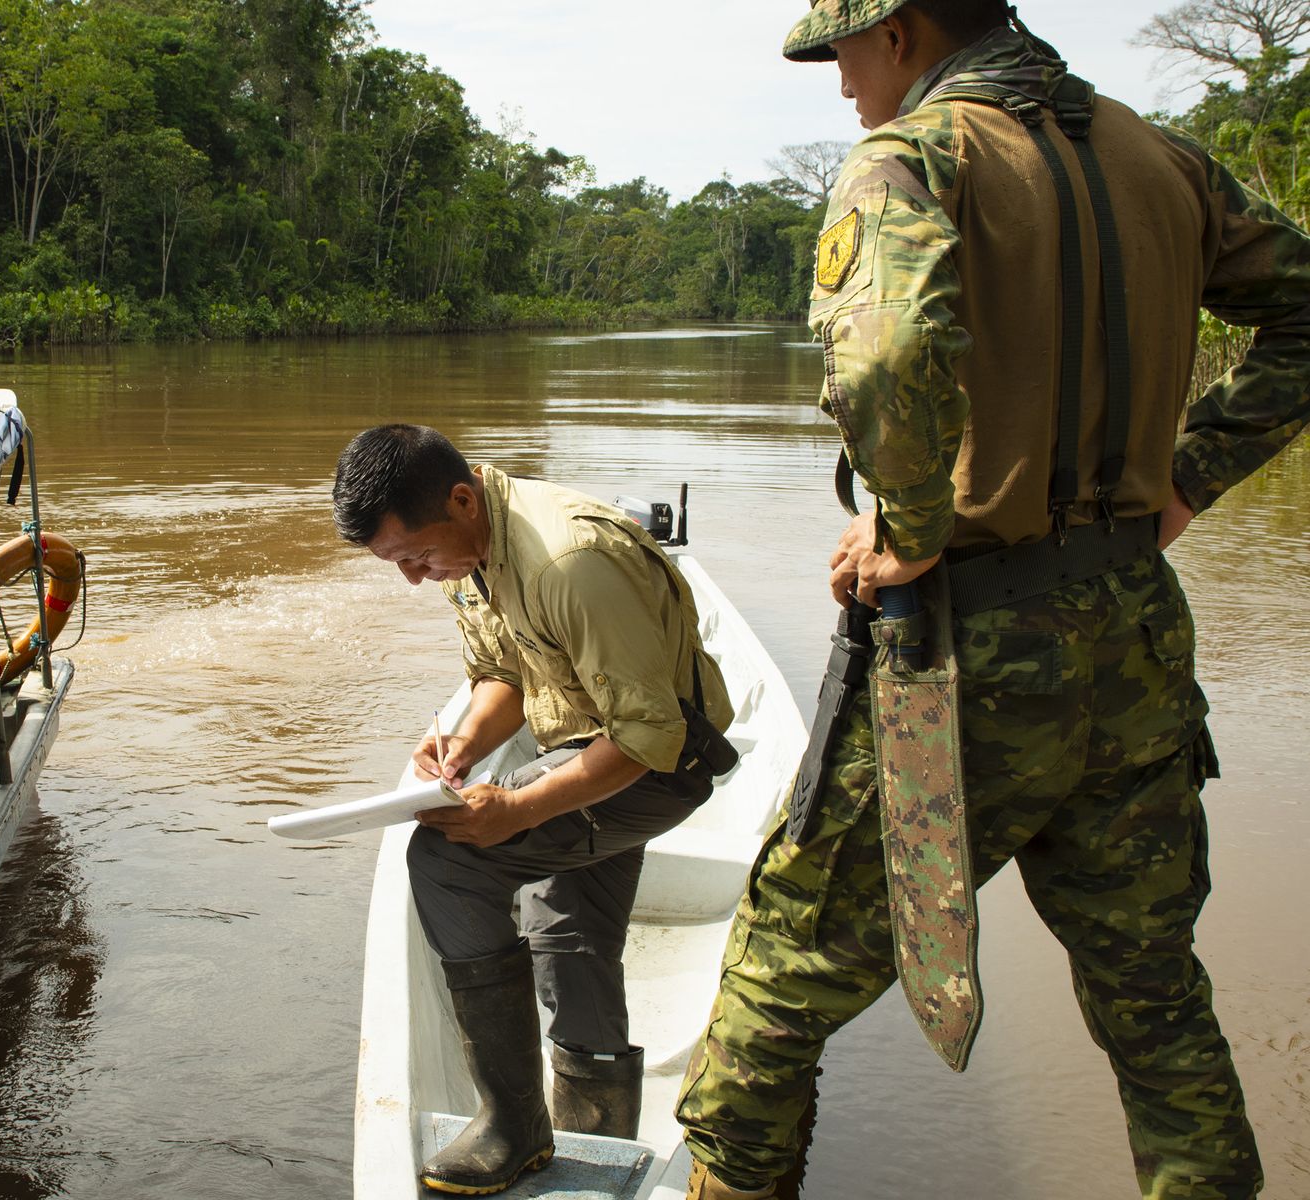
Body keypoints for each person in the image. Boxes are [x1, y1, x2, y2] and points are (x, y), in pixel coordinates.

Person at [673, 2, 1310, 1198]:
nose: (843, 84)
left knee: (781, 973)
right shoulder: (1158, 155)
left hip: (966, 653)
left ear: (904, 33)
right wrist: (1187, 478)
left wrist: (908, 526)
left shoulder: (913, 157)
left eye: (845, 53)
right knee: (1155, 1000)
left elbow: (882, 357)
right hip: (1135, 640)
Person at [333, 424, 738, 1194]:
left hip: (661, 762)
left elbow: (651, 736)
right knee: (570, 938)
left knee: (449, 864)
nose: (416, 580)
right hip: (591, 740)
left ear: (460, 498)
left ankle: (515, 1125)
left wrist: (517, 812)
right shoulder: (470, 547)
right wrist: (461, 743)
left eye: (416, 559)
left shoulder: (568, 564)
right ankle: (597, 1135)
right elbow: (506, 675)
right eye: (399, 566)